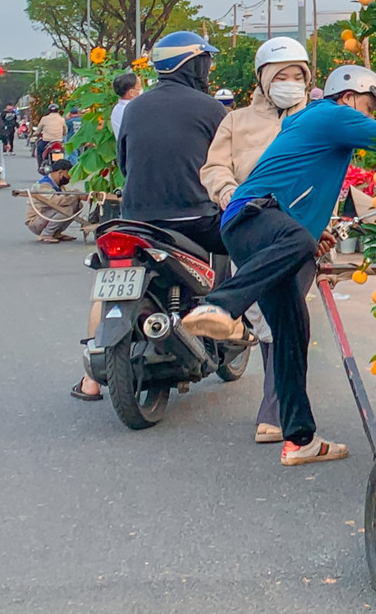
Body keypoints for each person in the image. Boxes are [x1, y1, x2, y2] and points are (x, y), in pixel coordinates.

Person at [184, 65, 376, 466]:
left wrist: (312, 233)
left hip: (256, 229)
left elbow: (296, 186)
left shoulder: (314, 125)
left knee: (292, 332)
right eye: (369, 108)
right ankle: (220, 305)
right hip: (256, 215)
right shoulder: (333, 114)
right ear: (349, 97)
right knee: (298, 241)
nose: (369, 117)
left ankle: (300, 439)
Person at [200, 37, 313, 444]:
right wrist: (226, 191)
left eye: (297, 76)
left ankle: (277, 414)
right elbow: (214, 167)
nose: (290, 83)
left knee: (283, 314)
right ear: (263, 79)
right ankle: (286, 419)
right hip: (250, 223)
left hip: (300, 229)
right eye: (281, 76)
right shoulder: (236, 121)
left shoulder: (315, 117)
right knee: (271, 318)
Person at [116, 32, 228, 255]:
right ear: (193, 66)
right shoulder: (211, 107)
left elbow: (124, 164)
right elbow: (227, 163)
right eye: (205, 63)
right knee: (249, 240)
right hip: (196, 219)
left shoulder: (133, 107)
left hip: (136, 219)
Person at [25, 157, 84, 244]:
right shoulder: (43, 185)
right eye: (68, 174)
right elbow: (56, 201)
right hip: (36, 221)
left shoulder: (58, 185)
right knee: (67, 209)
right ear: (60, 172)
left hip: (47, 216)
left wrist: (78, 195)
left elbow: (69, 195)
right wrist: (76, 196)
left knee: (78, 205)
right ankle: (46, 234)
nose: (69, 178)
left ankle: (56, 232)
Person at [36, 103, 66, 172]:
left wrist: (36, 133)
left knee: (39, 149)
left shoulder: (44, 119)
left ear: (49, 111)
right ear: (58, 110)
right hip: (59, 141)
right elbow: (65, 130)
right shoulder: (61, 119)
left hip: (46, 141)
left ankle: (41, 166)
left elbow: (38, 130)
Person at [110, 73, 141, 138]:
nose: (141, 89)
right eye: (139, 86)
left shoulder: (117, 109)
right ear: (131, 92)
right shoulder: (132, 110)